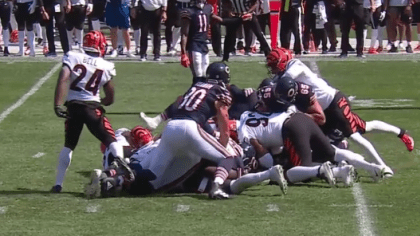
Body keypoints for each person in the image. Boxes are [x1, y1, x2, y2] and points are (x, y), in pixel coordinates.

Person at [266, 47, 415, 177]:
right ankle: (344, 163)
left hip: (335, 103)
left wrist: (271, 86)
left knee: (356, 136)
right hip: (322, 110)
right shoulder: (284, 73)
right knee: (353, 130)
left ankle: (383, 166)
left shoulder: (295, 65)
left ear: (282, 61)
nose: (272, 69)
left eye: (273, 65)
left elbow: (286, 79)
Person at [51, 31, 133, 193]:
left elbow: (63, 78)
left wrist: (57, 105)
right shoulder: (105, 65)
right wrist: (99, 101)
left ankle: (58, 184)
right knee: (111, 139)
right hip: (92, 108)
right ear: (101, 45)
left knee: (69, 146)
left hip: (73, 107)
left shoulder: (73, 56)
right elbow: (110, 98)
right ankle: (119, 168)